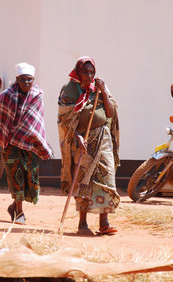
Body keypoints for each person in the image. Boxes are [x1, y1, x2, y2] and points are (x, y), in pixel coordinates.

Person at [58, 56, 120, 236]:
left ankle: (104, 222)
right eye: (85, 72)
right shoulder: (69, 90)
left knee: (107, 178)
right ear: (78, 72)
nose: (89, 76)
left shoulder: (99, 88)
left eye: (92, 72)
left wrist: (103, 91)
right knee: (83, 180)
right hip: (82, 140)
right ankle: (83, 224)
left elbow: (110, 113)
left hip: (102, 138)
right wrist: (77, 137)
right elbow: (64, 120)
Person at [0, 62, 52, 225]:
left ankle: (13, 206)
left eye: (29, 79)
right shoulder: (7, 95)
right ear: (17, 79)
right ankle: (19, 212)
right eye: (23, 79)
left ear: (33, 79)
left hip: (30, 144)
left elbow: (34, 121)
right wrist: (5, 137)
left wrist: (28, 135)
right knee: (16, 176)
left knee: (30, 177)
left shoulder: (37, 94)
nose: (26, 83)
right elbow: (0, 117)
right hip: (10, 144)